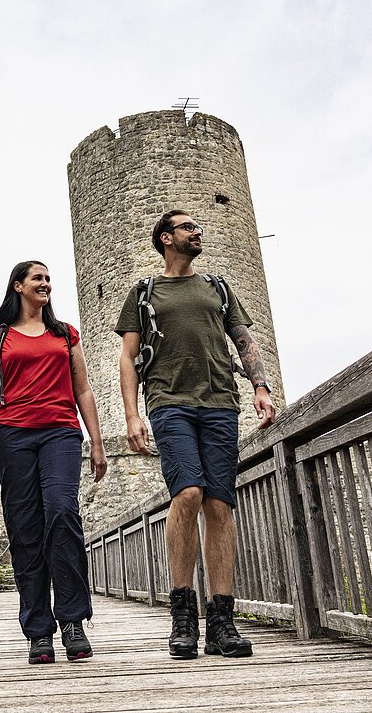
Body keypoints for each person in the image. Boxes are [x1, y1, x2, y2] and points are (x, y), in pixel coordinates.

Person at [115, 210, 276, 660]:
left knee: (220, 504)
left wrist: (260, 387)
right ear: (166, 238)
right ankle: (183, 613)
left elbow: (244, 340)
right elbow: (128, 358)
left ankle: (222, 620)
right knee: (187, 494)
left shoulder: (218, 288)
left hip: (221, 402)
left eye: (198, 226)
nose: (197, 231)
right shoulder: (145, 293)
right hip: (168, 403)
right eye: (188, 227)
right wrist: (132, 416)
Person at [0, 260, 107, 664]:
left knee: (63, 513)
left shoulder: (65, 334)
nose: (46, 283)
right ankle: (38, 630)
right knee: (24, 527)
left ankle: (72, 620)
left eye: (49, 278)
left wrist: (96, 442)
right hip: (12, 435)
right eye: (38, 278)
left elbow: (82, 388)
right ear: (18, 287)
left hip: (61, 433)